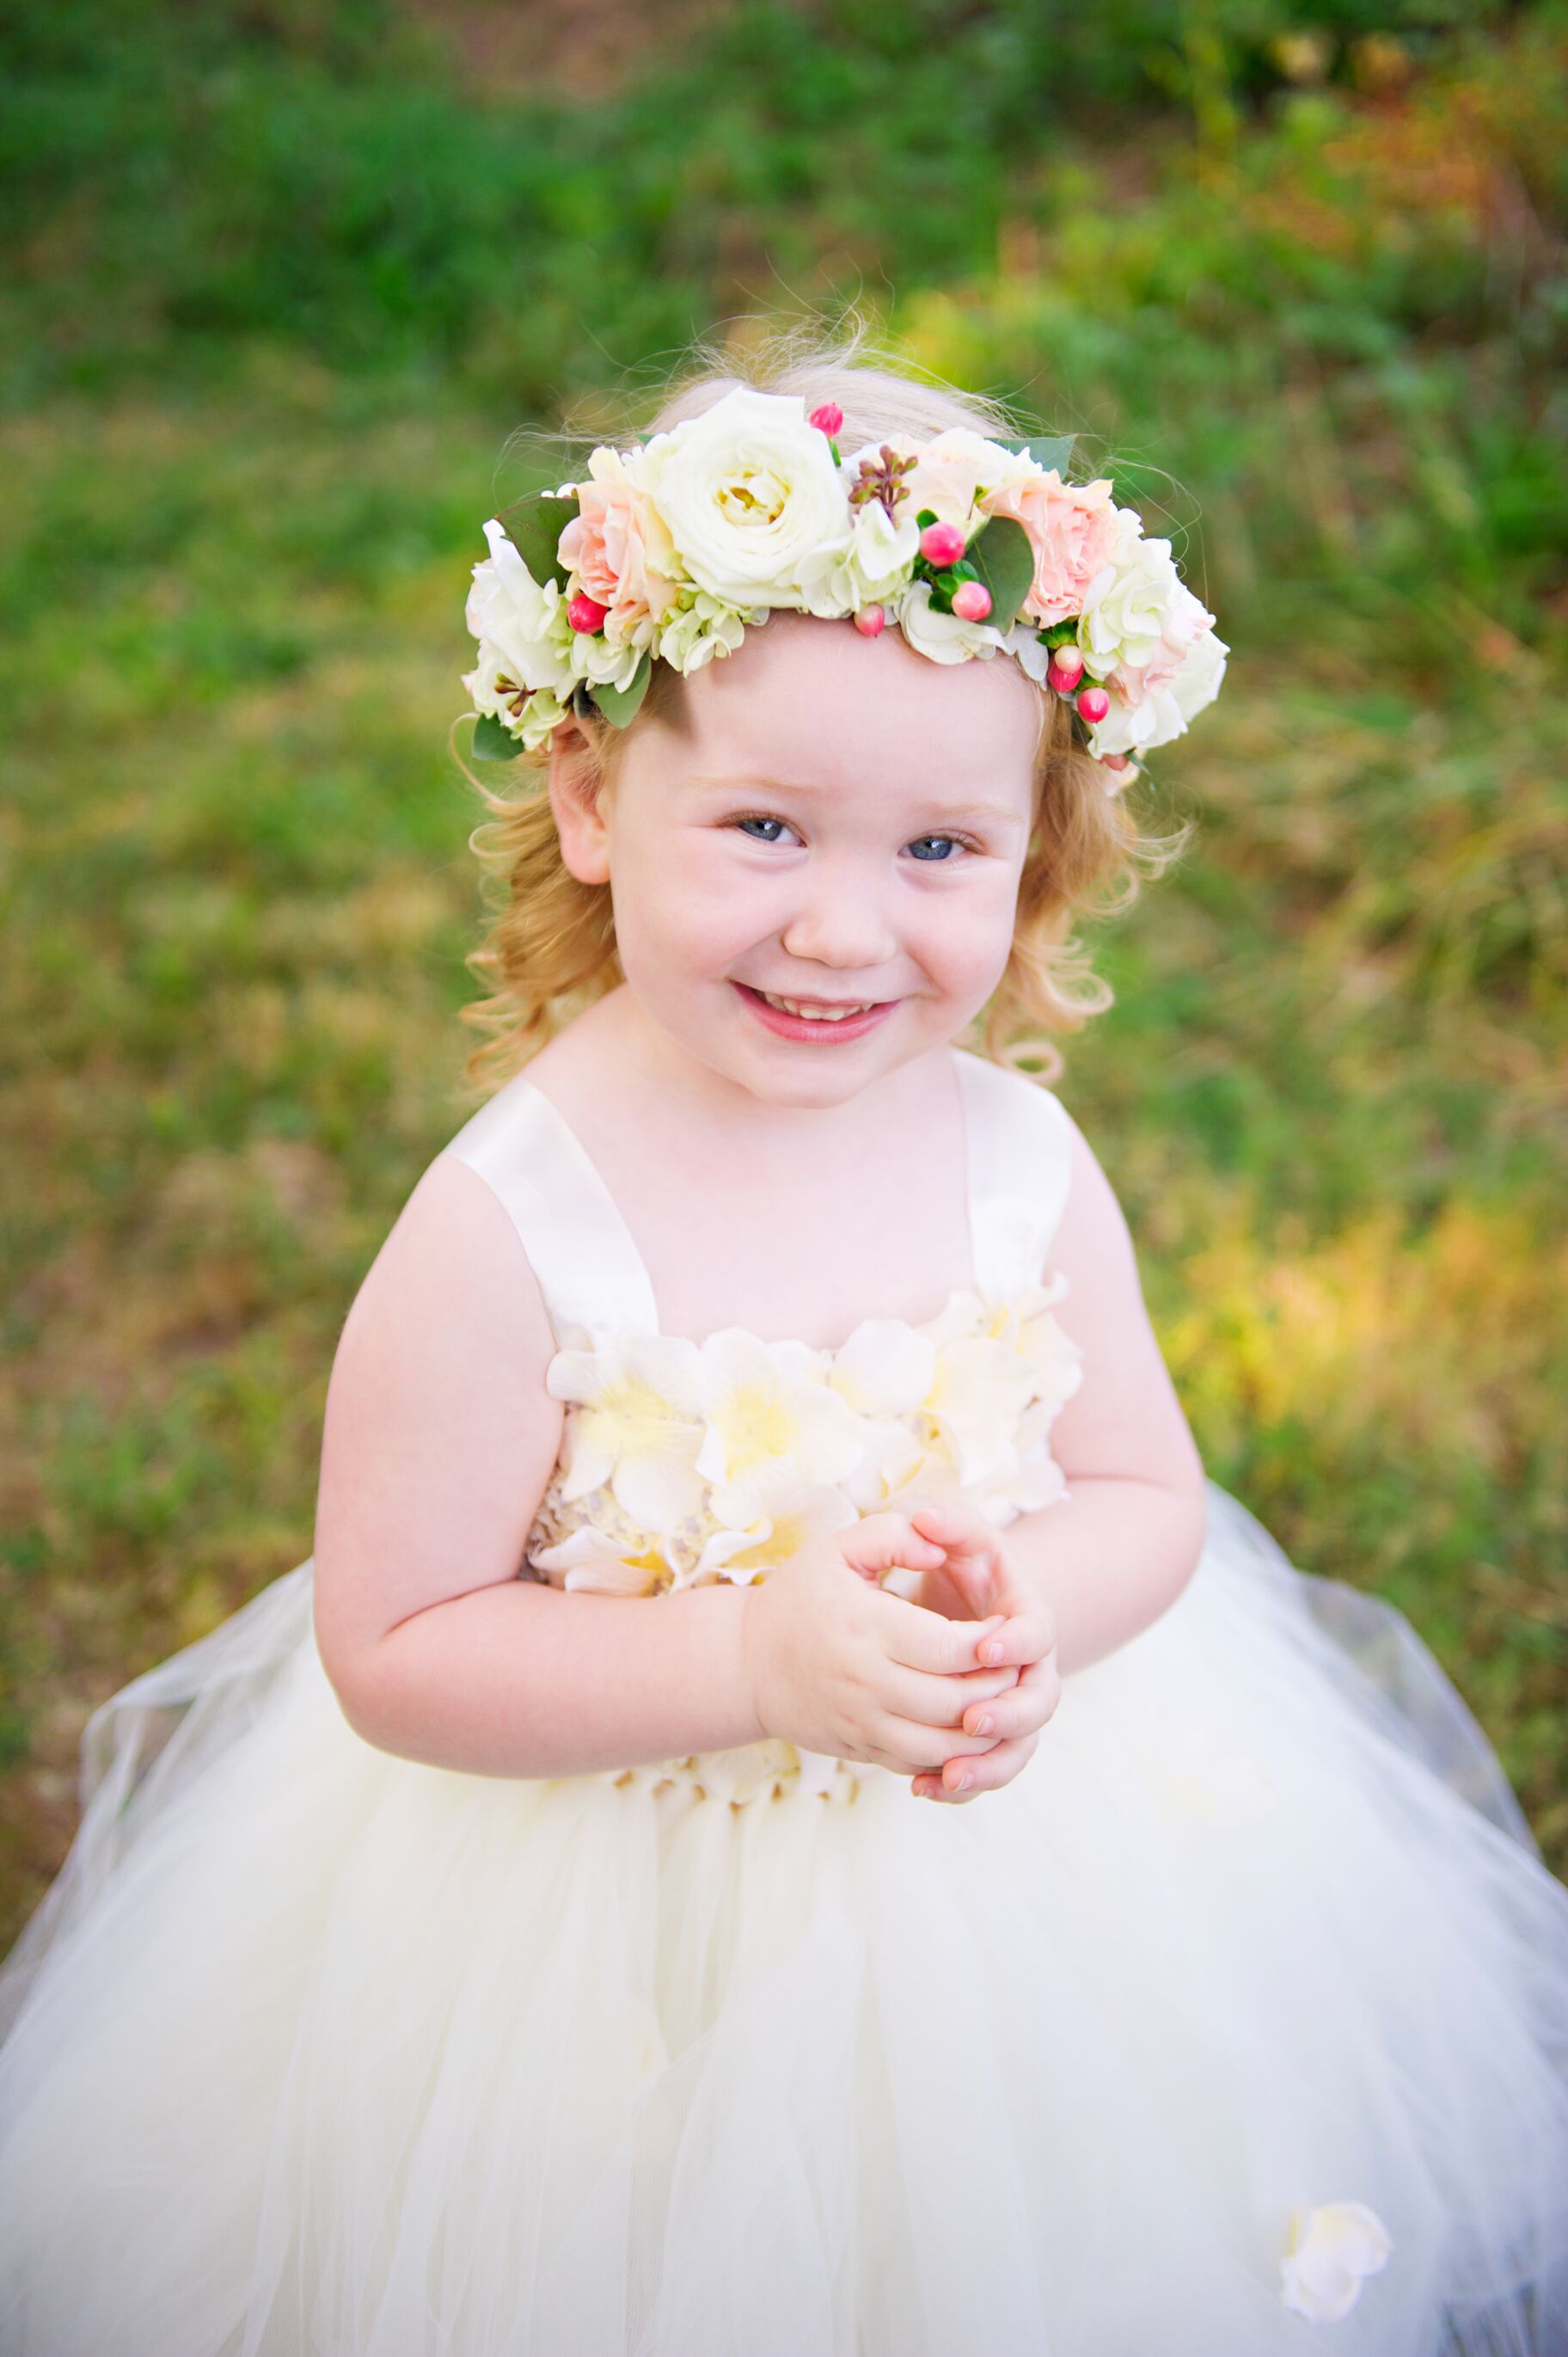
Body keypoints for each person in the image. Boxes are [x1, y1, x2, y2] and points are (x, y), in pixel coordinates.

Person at [2, 339, 1565, 2357]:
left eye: (938, 853)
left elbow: (1147, 1497)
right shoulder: (510, 1230)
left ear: (1038, 853)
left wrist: (1028, 1618)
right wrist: (750, 1661)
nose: (843, 928)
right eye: (763, 828)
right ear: (586, 799)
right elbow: (394, 1650)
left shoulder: (1020, 1159)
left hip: (1014, 1890)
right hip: (588, 1947)